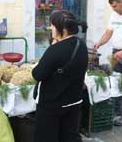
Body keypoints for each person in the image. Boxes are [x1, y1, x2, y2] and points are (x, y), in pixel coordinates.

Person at [32, 10, 88, 142]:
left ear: (62, 29)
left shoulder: (55, 50)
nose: (50, 28)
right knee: (69, 137)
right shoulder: (82, 45)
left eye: (52, 25)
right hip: (74, 102)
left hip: (52, 105)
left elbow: (37, 74)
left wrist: (51, 48)